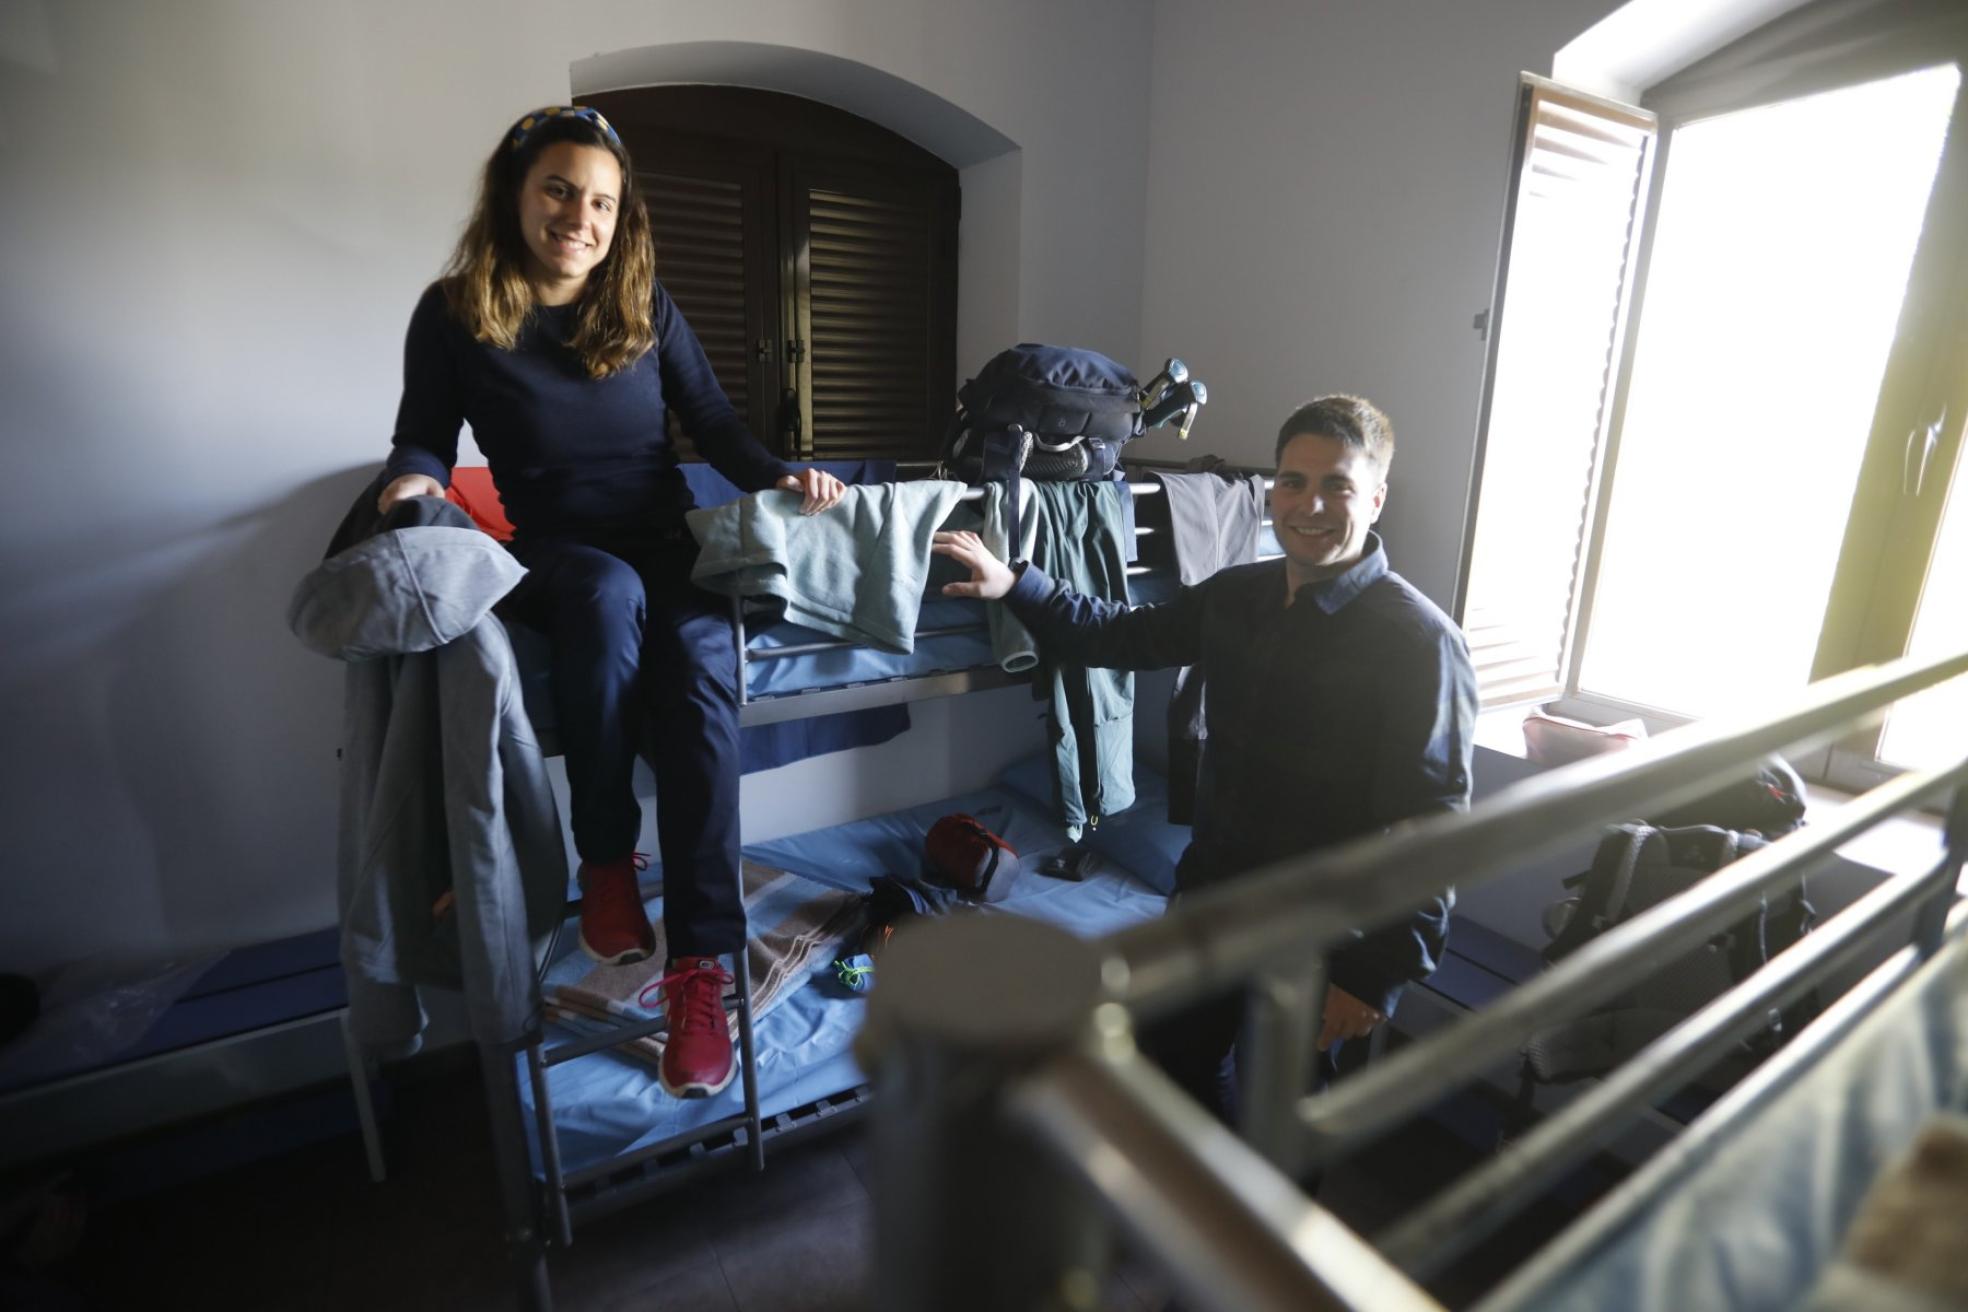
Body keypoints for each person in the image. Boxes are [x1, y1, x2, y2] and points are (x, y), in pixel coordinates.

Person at [376, 105, 845, 1098]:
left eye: (600, 201)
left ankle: (699, 969)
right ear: (514, 192)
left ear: (619, 214)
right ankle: (605, 861)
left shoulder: (645, 305)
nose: (577, 217)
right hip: (554, 554)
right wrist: (413, 484)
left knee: (703, 675)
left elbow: (713, 421)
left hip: (666, 539)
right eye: (557, 189)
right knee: (604, 589)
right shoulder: (457, 310)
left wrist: (779, 476)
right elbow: (422, 434)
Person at [933, 394, 1475, 1119]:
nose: (1309, 504)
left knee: (1289, 1112)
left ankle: (1266, 1227)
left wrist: (1377, 975)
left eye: (1337, 485)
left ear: (1374, 497)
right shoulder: (1240, 595)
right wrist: (1017, 583)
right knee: (1178, 1066)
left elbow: (1432, 827)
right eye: (1292, 481)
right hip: (1213, 891)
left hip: (1318, 929)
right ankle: (1208, 1206)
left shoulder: (1418, 642)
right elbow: (1121, 634)